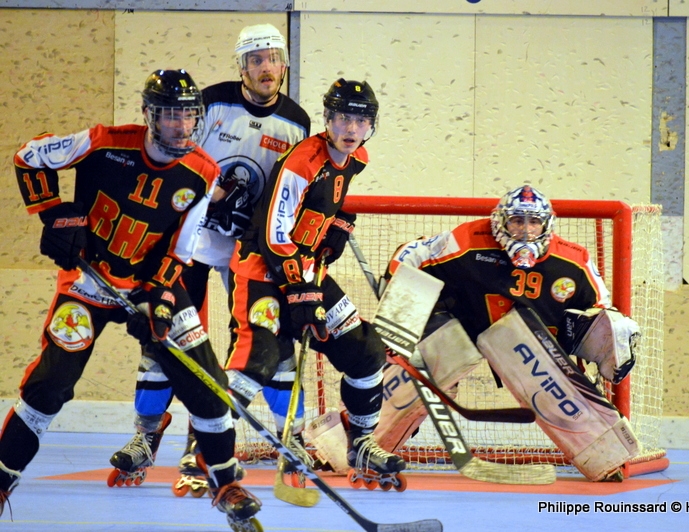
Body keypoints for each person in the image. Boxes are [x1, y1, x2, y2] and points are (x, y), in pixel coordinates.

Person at [0, 69, 261, 528]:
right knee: (50, 386)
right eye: (170, 115)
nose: (181, 126)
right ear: (149, 115)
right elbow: (28, 157)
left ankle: (224, 482)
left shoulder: (202, 172)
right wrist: (53, 213)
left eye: (188, 116)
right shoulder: (104, 143)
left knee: (209, 388)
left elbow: (181, 249)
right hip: (88, 283)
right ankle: (1, 482)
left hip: (149, 284)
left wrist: (159, 303)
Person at [107, 24, 312, 497]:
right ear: (241, 66)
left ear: (283, 65)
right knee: (170, 337)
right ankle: (147, 434)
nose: (265, 67)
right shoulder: (211, 102)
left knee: (272, 335)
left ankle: (292, 440)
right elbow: (178, 150)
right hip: (192, 241)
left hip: (251, 249)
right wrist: (211, 191)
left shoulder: (297, 122)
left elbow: (291, 186)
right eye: (255, 59)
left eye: (273, 58)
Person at [375, 184, 641, 481]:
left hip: (528, 345)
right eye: (516, 221)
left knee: (546, 366)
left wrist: (611, 339)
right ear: (501, 221)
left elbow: (601, 308)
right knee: (422, 372)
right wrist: (399, 315)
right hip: (459, 331)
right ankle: (358, 445)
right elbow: (410, 254)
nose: (526, 231)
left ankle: (604, 456)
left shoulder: (574, 260)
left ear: (547, 224)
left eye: (534, 221)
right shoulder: (468, 239)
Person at [227, 78, 407, 490]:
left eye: (360, 120)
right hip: (262, 271)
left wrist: (338, 222)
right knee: (260, 362)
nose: (351, 128)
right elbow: (274, 236)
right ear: (327, 119)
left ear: (371, 126)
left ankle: (360, 443)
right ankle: (203, 446)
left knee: (366, 352)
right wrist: (300, 292)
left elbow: (326, 200)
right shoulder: (301, 161)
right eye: (343, 117)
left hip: (307, 271)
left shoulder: (356, 157)